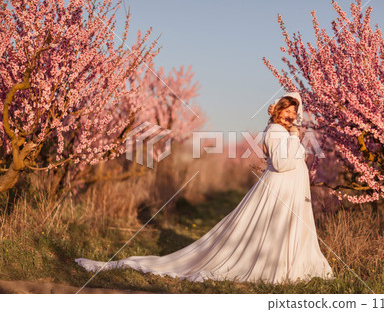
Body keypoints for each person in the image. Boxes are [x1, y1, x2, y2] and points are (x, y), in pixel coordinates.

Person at [75, 92, 335, 284]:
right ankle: (278, 265)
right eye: (286, 110)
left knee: (283, 227)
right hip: (281, 188)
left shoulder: (283, 131)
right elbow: (280, 163)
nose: (290, 115)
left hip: (289, 190)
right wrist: (294, 139)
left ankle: (290, 262)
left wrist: (296, 140)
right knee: (274, 226)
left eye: (294, 111)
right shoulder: (277, 131)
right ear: (276, 111)